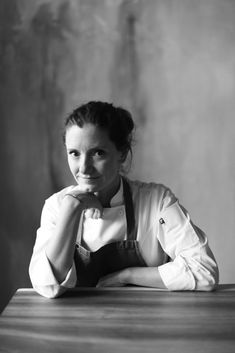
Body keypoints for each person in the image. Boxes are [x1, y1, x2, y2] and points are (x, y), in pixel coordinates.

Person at [29, 101, 219, 298]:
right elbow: (47, 286)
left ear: (122, 154)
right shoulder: (56, 206)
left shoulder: (156, 201)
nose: (84, 167)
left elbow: (205, 271)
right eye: (74, 153)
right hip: (77, 324)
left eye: (98, 153)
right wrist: (71, 208)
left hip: (145, 322)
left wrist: (127, 276)